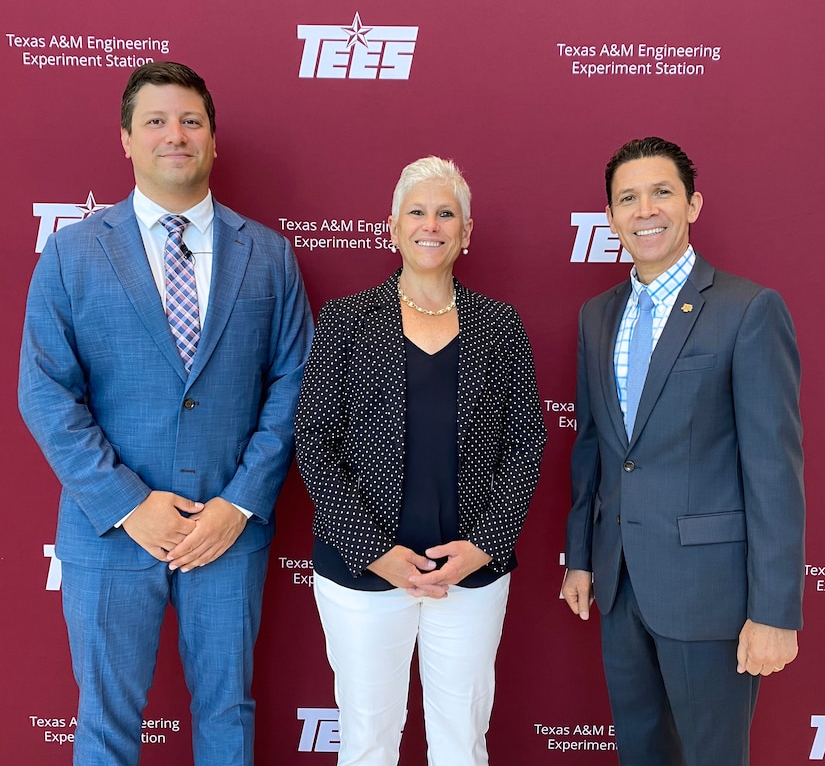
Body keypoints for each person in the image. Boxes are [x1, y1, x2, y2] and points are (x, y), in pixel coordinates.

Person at [18, 62, 313, 766]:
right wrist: (130, 504)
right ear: (126, 139)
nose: (173, 135)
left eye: (190, 121)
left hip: (226, 532)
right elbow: (45, 392)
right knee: (106, 722)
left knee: (226, 714)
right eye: (155, 121)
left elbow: (294, 384)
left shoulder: (268, 256)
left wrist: (237, 505)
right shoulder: (71, 253)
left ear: (212, 139)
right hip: (111, 535)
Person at [295, 156, 546, 766]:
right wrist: (373, 551)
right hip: (362, 575)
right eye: (417, 211)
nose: (430, 224)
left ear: (465, 232)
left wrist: (484, 545)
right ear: (392, 225)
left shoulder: (500, 325)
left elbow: (527, 442)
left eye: (445, 213)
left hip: (471, 576)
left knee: (461, 741)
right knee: (366, 742)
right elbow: (314, 441)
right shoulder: (346, 322)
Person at [562, 137, 805, 766]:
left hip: (711, 595)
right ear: (610, 217)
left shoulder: (747, 310)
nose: (646, 210)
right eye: (628, 198)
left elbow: (775, 471)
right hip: (619, 588)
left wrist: (775, 612)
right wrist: (581, 559)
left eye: (662, 192)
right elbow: (594, 451)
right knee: (642, 754)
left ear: (693, 204)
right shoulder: (596, 316)